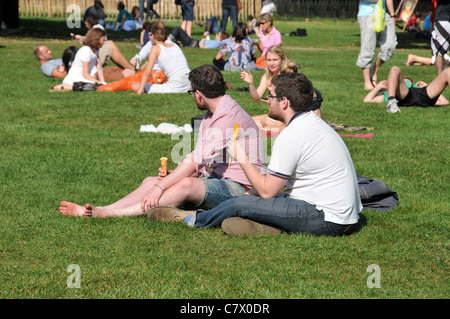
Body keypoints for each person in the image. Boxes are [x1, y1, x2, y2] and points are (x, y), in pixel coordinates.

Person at [148, 73, 362, 237]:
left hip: (327, 219)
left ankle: (193, 219)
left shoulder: (292, 135)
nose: (267, 100)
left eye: (271, 97)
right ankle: (265, 227)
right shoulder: (313, 124)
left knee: (239, 204)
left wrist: (241, 157)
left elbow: (267, 191)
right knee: (249, 201)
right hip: (341, 215)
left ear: (285, 102)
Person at [59, 64, 266, 218]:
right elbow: (201, 161)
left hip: (243, 189)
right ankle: (105, 208)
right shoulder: (212, 114)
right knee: (152, 181)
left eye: (192, 92)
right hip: (217, 180)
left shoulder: (227, 116)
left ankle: (109, 215)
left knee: (183, 184)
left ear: (199, 94)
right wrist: (166, 180)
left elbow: (195, 161)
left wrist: (163, 187)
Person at [240, 45, 323, 135]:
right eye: (268, 60)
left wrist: (274, 99)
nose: (271, 63)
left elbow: (295, 102)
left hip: (302, 113)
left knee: (265, 123)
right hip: (288, 112)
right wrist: (251, 84)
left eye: (275, 60)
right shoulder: (267, 77)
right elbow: (256, 98)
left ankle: (281, 128)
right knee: (246, 121)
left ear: (282, 59)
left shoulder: (287, 74)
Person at [132, 21, 191, 94]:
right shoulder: (174, 45)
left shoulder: (155, 48)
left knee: (135, 85)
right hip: (189, 83)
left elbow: (147, 72)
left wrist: (139, 92)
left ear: (153, 35)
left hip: (176, 87)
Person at [72, 16, 134, 81]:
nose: (86, 25)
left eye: (86, 24)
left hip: (93, 60)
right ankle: (131, 69)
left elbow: (93, 40)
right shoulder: (87, 50)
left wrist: (81, 37)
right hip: (87, 69)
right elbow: (91, 41)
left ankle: (131, 69)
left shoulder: (97, 28)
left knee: (110, 44)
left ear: (89, 23)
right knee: (110, 45)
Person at [356, 0, 397, 90]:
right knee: (368, 48)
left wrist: (393, 15)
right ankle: (367, 83)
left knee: (390, 45)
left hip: (384, 14)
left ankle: (374, 71)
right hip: (367, 14)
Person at [384, 65, 450, 113]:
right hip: (406, 95)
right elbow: (374, 99)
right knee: (394, 69)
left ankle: (392, 103)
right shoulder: (391, 90)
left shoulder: (421, 87)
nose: (407, 80)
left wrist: (426, 85)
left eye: (408, 80)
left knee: (448, 71)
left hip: (425, 93)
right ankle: (391, 103)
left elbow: (445, 102)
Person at [363, 78, 449, 106]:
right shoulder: (390, 95)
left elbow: (445, 102)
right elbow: (367, 100)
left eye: (407, 82)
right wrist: (379, 86)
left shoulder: (419, 92)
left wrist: (428, 88)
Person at [431, 0, 450, 74]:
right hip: (444, 20)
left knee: (440, 52)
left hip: (443, 19)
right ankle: (440, 79)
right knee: (440, 51)